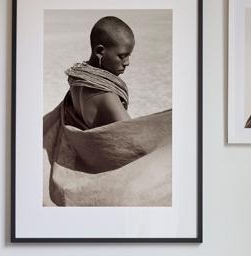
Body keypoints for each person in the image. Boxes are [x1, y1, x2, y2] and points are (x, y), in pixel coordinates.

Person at [43, 16, 172, 207]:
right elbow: (134, 142)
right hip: (102, 172)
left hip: (81, 160)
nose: (127, 62)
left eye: (129, 55)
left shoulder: (77, 81)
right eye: (122, 56)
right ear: (100, 51)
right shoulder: (107, 97)